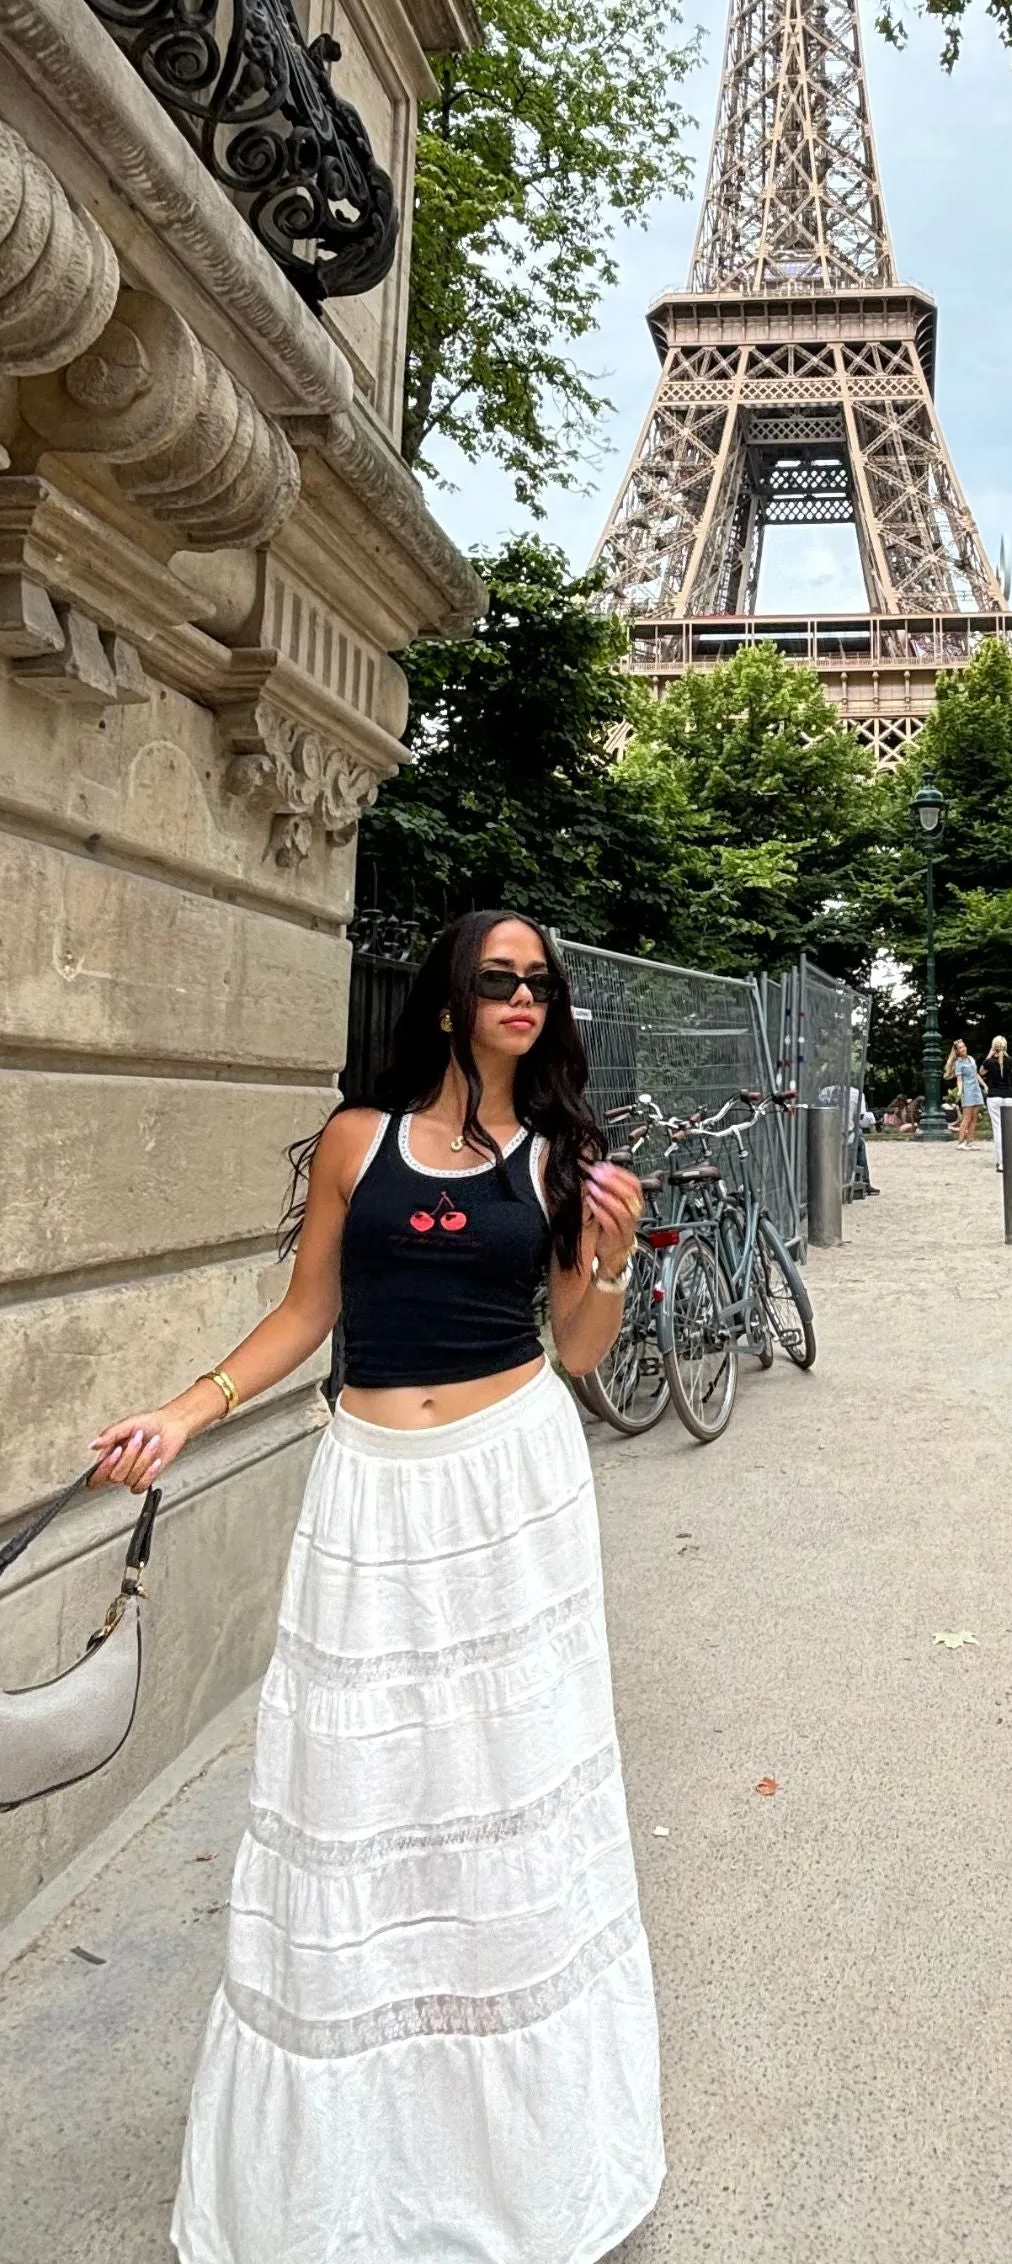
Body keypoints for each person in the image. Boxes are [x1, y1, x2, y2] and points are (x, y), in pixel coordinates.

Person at [89, 912, 664, 2264]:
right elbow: (307, 1314)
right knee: (362, 1787)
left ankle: (518, 2162)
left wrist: (616, 1255)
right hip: (371, 1487)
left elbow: (579, 1350)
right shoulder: (361, 1140)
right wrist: (187, 1410)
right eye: (498, 978)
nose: (523, 997)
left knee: (503, 1785)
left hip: (510, 1483)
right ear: (452, 998)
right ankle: (354, 2169)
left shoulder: (566, 1157)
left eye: (541, 982)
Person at [983, 1035, 1012, 1170]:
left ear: (994, 1047)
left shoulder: (989, 1062)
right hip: (1008, 1096)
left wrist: (990, 1054)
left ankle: (1001, 1162)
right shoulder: (1010, 1060)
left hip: (994, 1096)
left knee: (997, 1129)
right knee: (1009, 1129)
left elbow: (981, 1071)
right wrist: (1005, 1053)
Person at [946, 1037, 985, 1143]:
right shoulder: (959, 1063)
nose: (963, 1049)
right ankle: (960, 1142)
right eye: (960, 1048)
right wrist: (959, 1090)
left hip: (976, 1090)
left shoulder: (971, 1059)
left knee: (974, 1118)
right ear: (957, 1051)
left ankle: (970, 1141)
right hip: (967, 1091)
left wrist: (984, 1086)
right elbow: (959, 1080)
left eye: (963, 1046)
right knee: (966, 1118)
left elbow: (976, 1074)